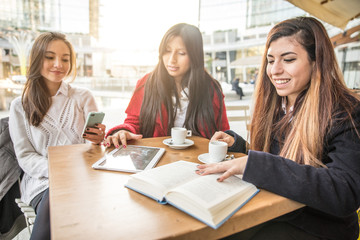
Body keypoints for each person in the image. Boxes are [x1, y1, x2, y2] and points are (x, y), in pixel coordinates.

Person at [196, 17, 360, 240]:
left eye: (289, 59)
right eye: (270, 61)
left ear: (316, 61)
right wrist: (240, 146)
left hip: (318, 227)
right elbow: (284, 160)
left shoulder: (346, 111)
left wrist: (256, 164)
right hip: (276, 212)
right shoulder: (277, 104)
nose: (275, 70)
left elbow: (345, 191)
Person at [9, 32, 105, 240]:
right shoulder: (20, 106)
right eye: (50, 57)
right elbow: (25, 156)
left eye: (65, 58)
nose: (58, 64)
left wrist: (97, 141)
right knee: (59, 197)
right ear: (37, 59)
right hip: (43, 182)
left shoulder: (83, 97)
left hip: (82, 176)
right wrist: (60, 172)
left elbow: (92, 148)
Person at [105, 23, 229, 148]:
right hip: (155, 160)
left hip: (198, 162)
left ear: (195, 56)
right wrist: (124, 132)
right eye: (167, 51)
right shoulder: (146, 83)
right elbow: (133, 122)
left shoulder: (211, 89)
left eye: (181, 53)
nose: (171, 60)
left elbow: (223, 133)